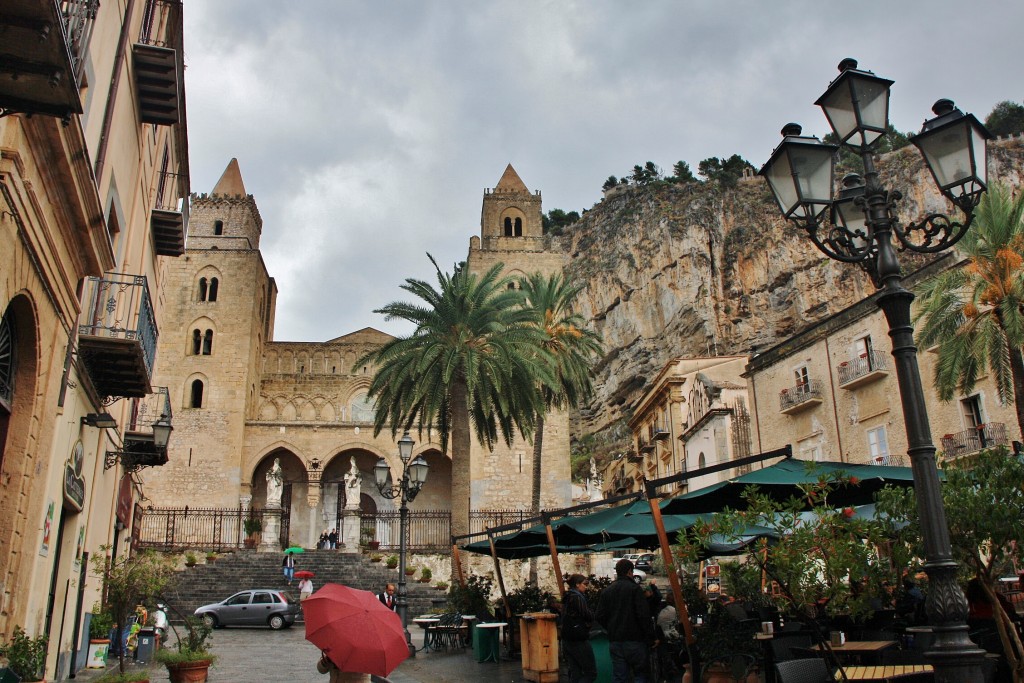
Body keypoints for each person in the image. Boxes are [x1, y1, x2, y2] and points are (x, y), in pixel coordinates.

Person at [596, 558, 653, 683]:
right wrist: (650, 636)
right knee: (640, 674)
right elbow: (643, 615)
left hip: (615, 639)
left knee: (619, 676)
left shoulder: (607, 591)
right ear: (629, 572)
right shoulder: (635, 589)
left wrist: (611, 626)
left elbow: (599, 615)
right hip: (635, 639)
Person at [561, 574, 597, 683]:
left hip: (567, 638)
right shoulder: (577, 597)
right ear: (577, 584)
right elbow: (587, 615)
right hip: (578, 638)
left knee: (575, 673)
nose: (586, 586)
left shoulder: (567, 596)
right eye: (584, 584)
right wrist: (592, 614)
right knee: (591, 673)